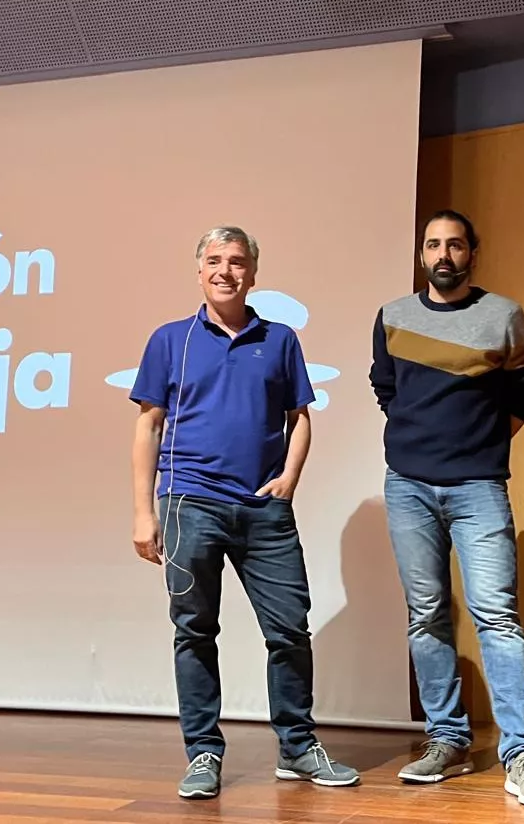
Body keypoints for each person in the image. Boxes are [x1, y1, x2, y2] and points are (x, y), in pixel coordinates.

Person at [129, 225, 359, 800]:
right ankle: (203, 752)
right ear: (198, 271)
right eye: (214, 260)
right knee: (194, 632)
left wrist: (288, 481)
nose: (225, 270)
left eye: (236, 261)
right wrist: (142, 511)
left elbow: (300, 416)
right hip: (188, 503)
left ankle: (297, 748)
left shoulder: (279, 339)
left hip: (263, 511)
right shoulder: (169, 339)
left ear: (253, 274)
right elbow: (149, 424)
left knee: (288, 630)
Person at [368, 210, 524, 808]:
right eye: (433, 245)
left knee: (496, 615)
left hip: (478, 486)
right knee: (425, 614)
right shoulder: (392, 317)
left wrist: (481, 441)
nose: (443, 254)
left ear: (473, 253)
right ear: (422, 254)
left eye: (454, 245)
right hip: (408, 486)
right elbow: (386, 388)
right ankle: (446, 741)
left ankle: (521, 754)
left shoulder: (502, 315)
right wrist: (420, 439)